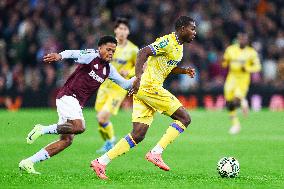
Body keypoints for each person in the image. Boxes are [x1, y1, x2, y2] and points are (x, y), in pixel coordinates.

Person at [91, 16, 196, 180]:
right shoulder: (168, 42)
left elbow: (166, 67)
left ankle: (101, 162)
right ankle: (156, 152)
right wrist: (138, 78)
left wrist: (183, 71)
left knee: (138, 134)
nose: (194, 33)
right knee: (185, 118)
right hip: (149, 86)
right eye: (192, 29)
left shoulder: (179, 48)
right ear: (182, 28)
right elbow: (143, 52)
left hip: (144, 89)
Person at [19, 36, 135, 174]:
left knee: (66, 140)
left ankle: (28, 162)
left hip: (77, 103)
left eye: (113, 51)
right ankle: (42, 129)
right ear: (100, 48)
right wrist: (59, 55)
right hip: (68, 96)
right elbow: (72, 52)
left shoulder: (109, 70)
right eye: (108, 49)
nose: (110, 53)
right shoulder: (91, 56)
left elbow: (126, 85)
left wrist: (139, 76)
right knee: (79, 127)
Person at [95, 18, 139, 153]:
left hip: (118, 88)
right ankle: (108, 141)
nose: (122, 32)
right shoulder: (108, 45)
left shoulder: (133, 49)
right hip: (104, 85)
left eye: (125, 29)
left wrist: (129, 72)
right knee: (100, 119)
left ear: (128, 32)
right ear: (115, 30)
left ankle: (111, 141)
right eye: (120, 28)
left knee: (103, 116)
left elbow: (139, 67)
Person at [222, 32, 261, 134]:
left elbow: (258, 67)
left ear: (247, 40)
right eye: (241, 39)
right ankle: (236, 124)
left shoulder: (251, 52)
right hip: (231, 78)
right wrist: (224, 62)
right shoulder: (230, 50)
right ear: (238, 39)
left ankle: (242, 101)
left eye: (244, 39)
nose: (242, 40)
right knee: (229, 103)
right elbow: (224, 63)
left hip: (243, 79)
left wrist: (247, 68)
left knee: (235, 101)